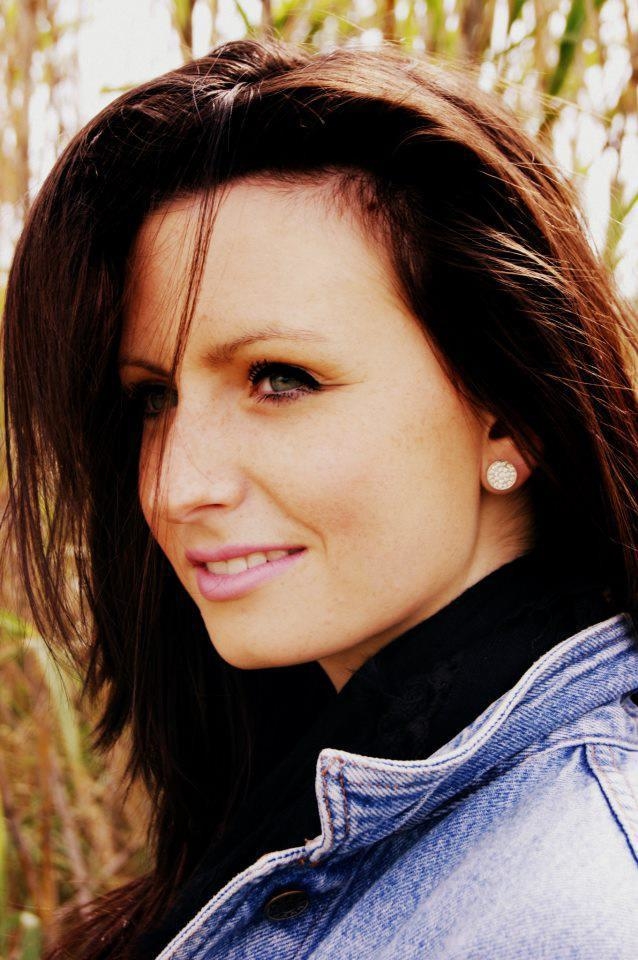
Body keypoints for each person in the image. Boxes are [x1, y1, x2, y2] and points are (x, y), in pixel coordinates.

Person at [2, 35, 638, 960]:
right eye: (154, 398)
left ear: (510, 418)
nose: (178, 485)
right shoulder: (301, 780)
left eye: (280, 379)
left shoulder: (575, 908)